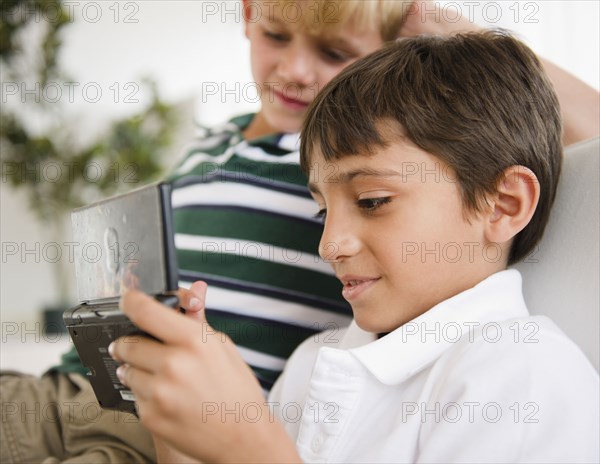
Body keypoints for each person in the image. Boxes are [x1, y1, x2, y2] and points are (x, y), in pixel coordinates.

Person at [2, 1, 598, 462]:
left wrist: (249, 446)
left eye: (372, 200)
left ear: (503, 203)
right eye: (321, 210)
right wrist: (184, 428)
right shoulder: (315, 362)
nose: (329, 244)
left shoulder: (523, 378)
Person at [0, 1, 411, 463]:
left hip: (161, 425)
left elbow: (495, 115)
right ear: (249, 14)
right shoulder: (206, 146)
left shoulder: (349, 168)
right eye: (276, 36)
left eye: (334, 52)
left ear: (391, 51)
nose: (295, 70)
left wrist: (428, 28)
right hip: (71, 384)